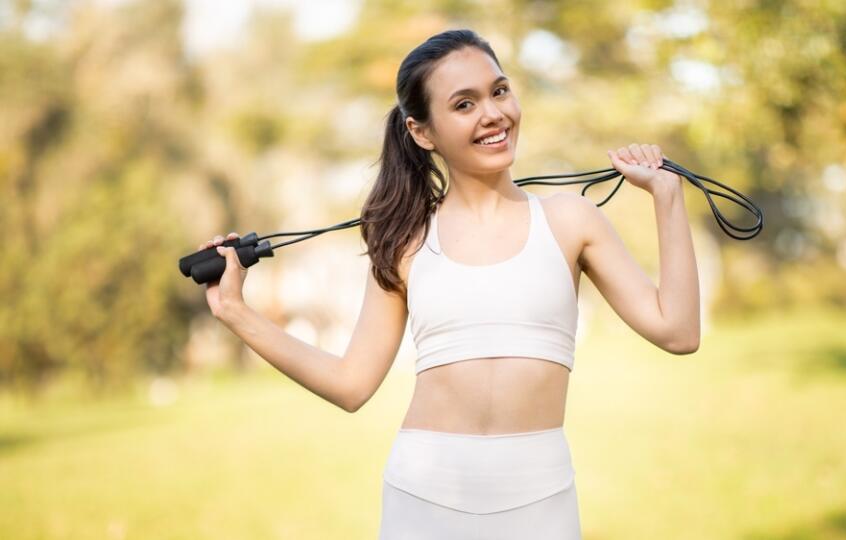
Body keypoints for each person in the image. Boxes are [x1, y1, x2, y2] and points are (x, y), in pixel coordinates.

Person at [199, 28, 700, 540]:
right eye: (464, 104)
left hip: (541, 498)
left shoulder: (571, 220)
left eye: (499, 91)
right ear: (422, 132)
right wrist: (237, 313)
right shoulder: (406, 241)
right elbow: (351, 385)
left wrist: (667, 196)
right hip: (425, 498)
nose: (493, 115)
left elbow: (678, 332)